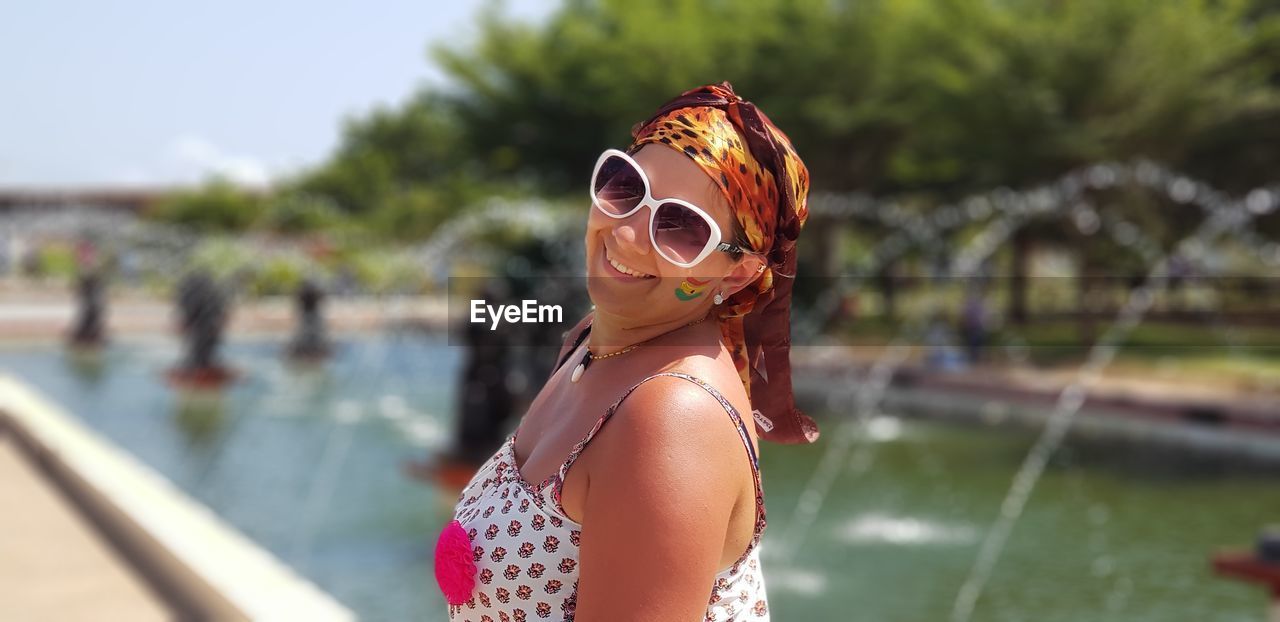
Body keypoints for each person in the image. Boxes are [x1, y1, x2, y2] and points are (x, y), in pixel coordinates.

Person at [433, 82, 820, 621]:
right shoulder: (591, 340)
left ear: (736, 274)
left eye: (682, 227)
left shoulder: (670, 419)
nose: (630, 234)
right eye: (626, 186)